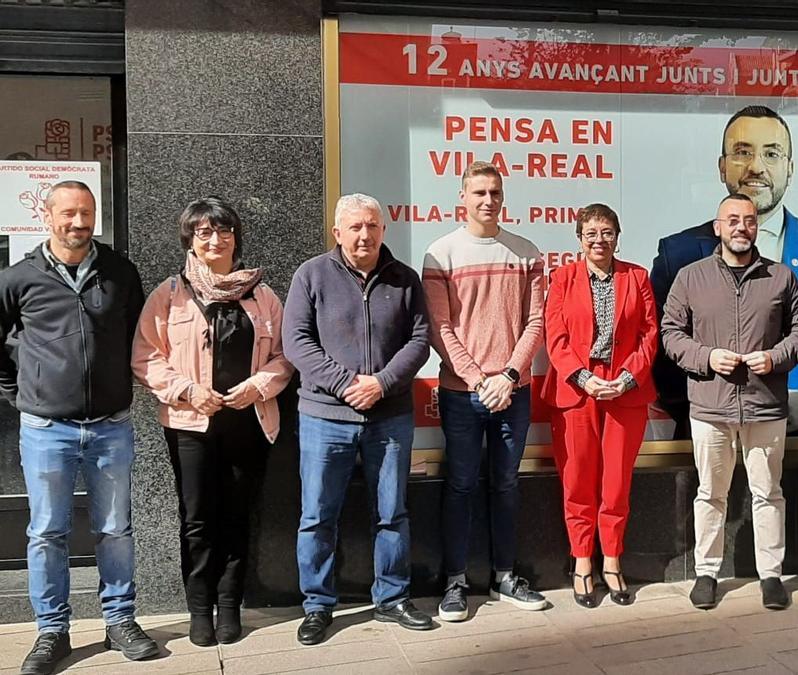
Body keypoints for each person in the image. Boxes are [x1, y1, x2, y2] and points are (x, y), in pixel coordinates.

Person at [0, 181, 158, 675]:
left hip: (111, 426)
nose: (77, 222)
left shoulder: (119, 272)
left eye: (86, 213)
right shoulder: (17, 279)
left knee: (115, 529)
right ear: (47, 217)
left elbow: (140, 337)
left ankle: (119, 621)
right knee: (48, 531)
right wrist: (24, 395)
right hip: (46, 430)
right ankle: (51, 631)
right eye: (67, 213)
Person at [132, 197, 294, 645]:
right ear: (190, 240)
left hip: (248, 421)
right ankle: (199, 610)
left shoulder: (261, 295)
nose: (215, 240)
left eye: (223, 231)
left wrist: (258, 385)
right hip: (190, 425)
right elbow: (146, 358)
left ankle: (229, 606)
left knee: (238, 516)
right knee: (198, 519)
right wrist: (188, 391)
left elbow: (286, 357)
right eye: (204, 232)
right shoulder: (169, 294)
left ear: (235, 237)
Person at [283, 193, 433, 644]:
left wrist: (381, 383)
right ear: (337, 232)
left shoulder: (404, 279)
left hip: (389, 416)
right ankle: (317, 605)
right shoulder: (311, 275)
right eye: (355, 227)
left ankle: (392, 598)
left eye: (372, 226)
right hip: (325, 417)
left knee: (392, 512)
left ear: (383, 230)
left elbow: (421, 340)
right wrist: (348, 383)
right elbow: (296, 342)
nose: (364, 234)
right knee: (317, 515)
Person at [661, 193, 798, 611]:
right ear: (717, 227)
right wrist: (706, 358)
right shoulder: (691, 277)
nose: (741, 227)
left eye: (748, 220)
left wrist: (774, 358)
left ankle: (771, 576)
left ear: (756, 227)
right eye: (732, 220)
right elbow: (670, 333)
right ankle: (707, 572)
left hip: (765, 405)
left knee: (768, 492)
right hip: (710, 405)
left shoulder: (780, 277)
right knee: (710, 492)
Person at [651, 105, 798, 439]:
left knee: (775, 494)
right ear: (722, 167)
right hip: (707, 420)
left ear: (790, 169)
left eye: (772, 154)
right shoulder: (678, 253)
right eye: (742, 152)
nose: (756, 167)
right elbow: (663, 340)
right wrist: (691, 405)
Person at [422, 161, 547, 622]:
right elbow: (440, 327)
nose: (488, 200)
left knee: (507, 484)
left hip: (514, 392)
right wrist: (479, 380)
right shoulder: (441, 254)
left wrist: (509, 376)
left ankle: (506, 575)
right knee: (459, 484)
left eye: (495, 192)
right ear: (463, 198)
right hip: (461, 394)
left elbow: (536, 322)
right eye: (479, 193)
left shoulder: (526, 252)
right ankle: (454, 581)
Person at [542, 204, 658, 608]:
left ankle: (611, 560)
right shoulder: (562, 279)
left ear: (617, 236)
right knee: (578, 481)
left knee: (615, 484)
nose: (599, 240)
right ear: (579, 239)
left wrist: (626, 378)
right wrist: (582, 376)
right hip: (577, 392)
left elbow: (649, 334)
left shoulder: (637, 277)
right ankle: (581, 563)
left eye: (606, 232)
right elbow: (555, 338)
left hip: (625, 391)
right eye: (590, 233)